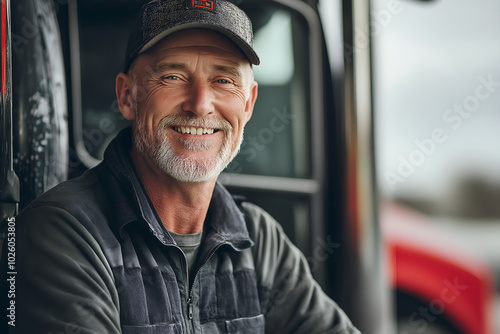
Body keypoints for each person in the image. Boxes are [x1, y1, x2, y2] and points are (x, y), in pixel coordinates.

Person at [3, 0, 361, 333]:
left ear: (249, 105)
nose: (201, 104)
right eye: (173, 76)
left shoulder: (259, 241)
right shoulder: (62, 234)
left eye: (223, 80)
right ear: (127, 96)